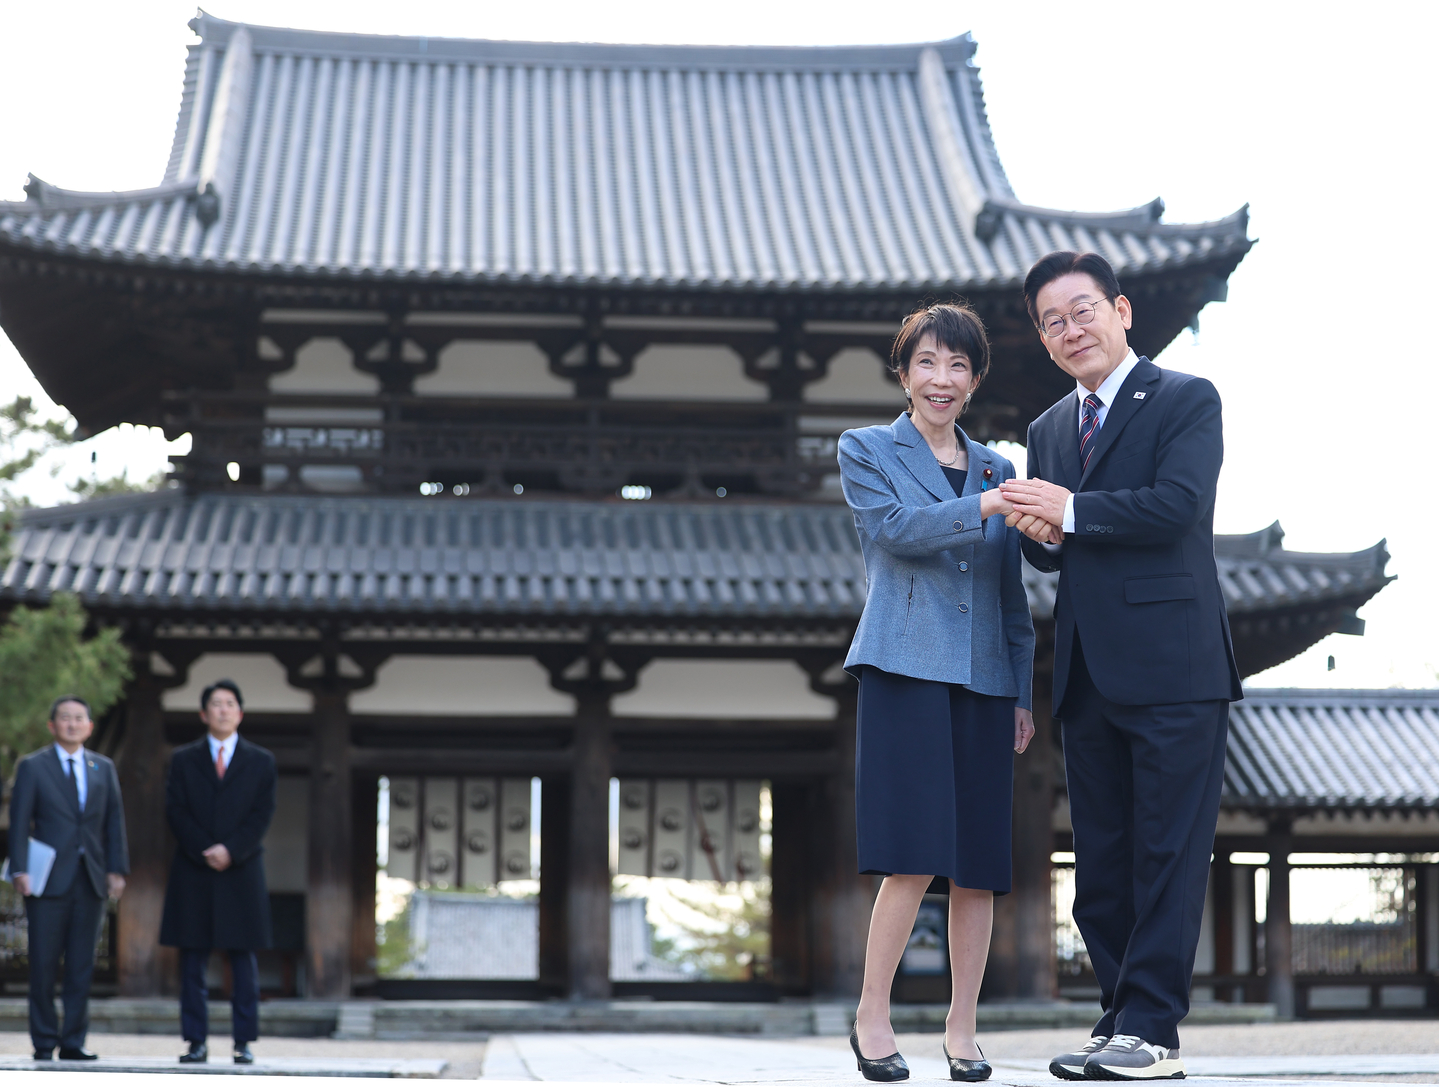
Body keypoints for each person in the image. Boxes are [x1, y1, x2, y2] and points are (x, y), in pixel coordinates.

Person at [999, 252, 1242, 1080]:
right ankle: (1118, 1018)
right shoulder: (1045, 431)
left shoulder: (1184, 398)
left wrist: (1069, 509)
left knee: (1166, 852)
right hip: (1086, 673)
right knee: (1099, 862)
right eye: (1051, 321)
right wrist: (1044, 534)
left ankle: (1152, 1030)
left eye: (1082, 310)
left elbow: (1179, 505)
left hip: (1175, 665)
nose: (1070, 330)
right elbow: (1063, 554)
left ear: (1122, 309)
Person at [837, 303, 1041, 1083]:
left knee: (980, 865)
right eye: (927, 362)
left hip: (986, 678)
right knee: (912, 856)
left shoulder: (996, 463)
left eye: (957, 365)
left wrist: (1019, 689)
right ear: (904, 372)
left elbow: (1008, 591)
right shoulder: (865, 448)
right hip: (903, 666)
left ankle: (963, 1029)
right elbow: (894, 531)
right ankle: (872, 1015)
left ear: (975, 377)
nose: (941, 379)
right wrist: (989, 503)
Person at [160, 679, 277, 1066]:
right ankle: (195, 1041)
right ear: (203, 714)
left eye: (230, 704)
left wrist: (231, 849)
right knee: (192, 960)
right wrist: (203, 849)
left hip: (241, 869)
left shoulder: (261, 760)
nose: (223, 710)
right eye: (216, 704)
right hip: (194, 868)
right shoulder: (183, 758)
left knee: (242, 961)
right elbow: (175, 810)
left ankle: (244, 1041)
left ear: (239, 713)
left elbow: (263, 813)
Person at [8, 695, 128, 1061]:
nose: (73, 724)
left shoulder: (103, 767)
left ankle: (74, 1040)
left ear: (90, 726)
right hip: (46, 878)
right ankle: (44, 1040)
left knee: (81, 964)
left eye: (80, 718)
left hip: (90, 876)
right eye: (65, 718)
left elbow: (114, 822)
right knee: (43, 962)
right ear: (53, 725)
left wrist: (117, 869)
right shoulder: (33, 766)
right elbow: (19, 821)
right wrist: (19, 868)